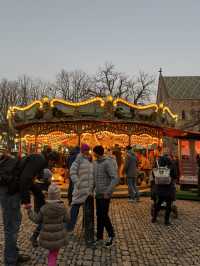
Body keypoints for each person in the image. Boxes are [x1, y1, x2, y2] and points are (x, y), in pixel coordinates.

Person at [26, 183, 69, 266]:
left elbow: (36, 220)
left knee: (52, 253)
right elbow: (67, 219)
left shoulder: (44, 208)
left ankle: (52, 262)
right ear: (58, 195)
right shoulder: (63, 208)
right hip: (58, 237)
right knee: (53, 254)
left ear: (49, 195)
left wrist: (29, 211)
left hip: (47, 237)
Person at [0, 148, 30, 266]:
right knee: (11, 229)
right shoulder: (13, 163)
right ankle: (11, 260)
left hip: (7, 194)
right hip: (10, 195)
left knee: (12, 227)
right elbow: (25, 180)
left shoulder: (7, 162)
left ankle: (13, 255)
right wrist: (26, 200)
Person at [93, 145, 119, 248]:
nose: (93, 154)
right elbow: (95, 178)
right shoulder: (95, 163)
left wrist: (108, 191)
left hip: (105, 194)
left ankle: (111, 235)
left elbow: (114, 178)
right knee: (99, 215)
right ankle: (99, 237)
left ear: (97, 153)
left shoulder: (107, 163)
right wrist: (91, 189)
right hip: (98, 193)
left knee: (104, 215)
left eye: (94, 152)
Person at [69, 144, 94, 245]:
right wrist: (78, 182)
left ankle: (86, 228)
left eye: (88, 150)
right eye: (86, 150)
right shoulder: (79, 159)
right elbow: (72, 172)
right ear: (83, 151)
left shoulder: (89, 160)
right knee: (75, 209)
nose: (87, 152)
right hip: (80, 189)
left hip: (88, 190)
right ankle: (69, 228)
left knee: (87, 210)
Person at [151, 154, 177, 226]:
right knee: (168, 204)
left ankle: (154, 218)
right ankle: (166, 221)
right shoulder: (171, 166)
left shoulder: (158, 166)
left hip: (159, 187)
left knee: (158, 203)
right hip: (169, 187)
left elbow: (153, 175)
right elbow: (175, 175)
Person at [30, 168, 53, 247]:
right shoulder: (37, 186)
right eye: (50, 178)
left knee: (45, 223)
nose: (51, 179)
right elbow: (39, 195)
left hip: (46, 208)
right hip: (39, 208)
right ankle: (34, 237)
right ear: (45, 178)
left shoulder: (48, 185)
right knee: (42, 223)